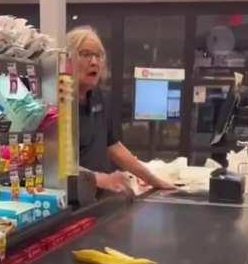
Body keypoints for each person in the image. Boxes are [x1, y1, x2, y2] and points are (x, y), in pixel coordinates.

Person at [66, 26, 173, 195]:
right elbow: (55, 162)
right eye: (85, 54)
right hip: (71, 199)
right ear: (67, 59)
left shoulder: (99, 97)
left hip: (98, 197)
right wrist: (100, 179)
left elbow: (113, 146)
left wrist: (153, 180)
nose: (94, 62)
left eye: (98, 56)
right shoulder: (57, 103)